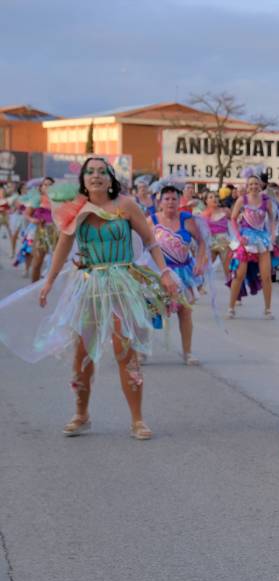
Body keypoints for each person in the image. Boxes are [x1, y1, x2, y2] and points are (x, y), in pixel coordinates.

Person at [0, 157, 181, 439]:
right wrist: (48, 282)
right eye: (90, 172)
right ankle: (81, 414)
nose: (96, 176)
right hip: (89, 285)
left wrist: (166, 272)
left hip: (123, 284)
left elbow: (150, 240)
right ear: (83, 180)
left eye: (102, 171)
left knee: (126, 352)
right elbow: (63, 246)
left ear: (110, 178)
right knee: (82, 355)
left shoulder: (126, 205)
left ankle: (137, 420)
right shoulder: (75, 209)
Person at [150, 181, 208, 365]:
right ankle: (140, 350)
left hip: (184, 272)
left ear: (179, 200)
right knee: (149, 311)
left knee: (185, 312)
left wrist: (199, 261)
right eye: (166, 199)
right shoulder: (151, 220)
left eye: (174, 198)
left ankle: (187, 352)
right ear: (160, 202)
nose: (170, 202)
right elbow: (140, 244)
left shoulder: (186, 219)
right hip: (159, 273)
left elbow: (202, 242)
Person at [227, 169, 276, 319]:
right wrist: (238, 236)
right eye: (251, 184)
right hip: (246, 240)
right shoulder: (242, 200)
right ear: (247, 186)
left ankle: (268, 309)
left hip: (262, 240)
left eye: (256, 183)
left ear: (260, 185)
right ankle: (231, 307)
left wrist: (272, 236)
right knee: (239, 275)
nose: (254, 186)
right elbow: (233, 219)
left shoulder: (266, 201)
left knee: (266, 275)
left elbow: (273, 219)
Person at [200, 190, 234, 283]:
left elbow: (235, 225)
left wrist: (235, 243)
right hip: (210, 243)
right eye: (211, 197)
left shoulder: (225, 211)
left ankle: (233, 293)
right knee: (202, 267)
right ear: (206, 201)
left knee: (229, 271)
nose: (214, 198)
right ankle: (198, 287)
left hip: (224, 242)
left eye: (216, 196)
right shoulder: (202, 215)